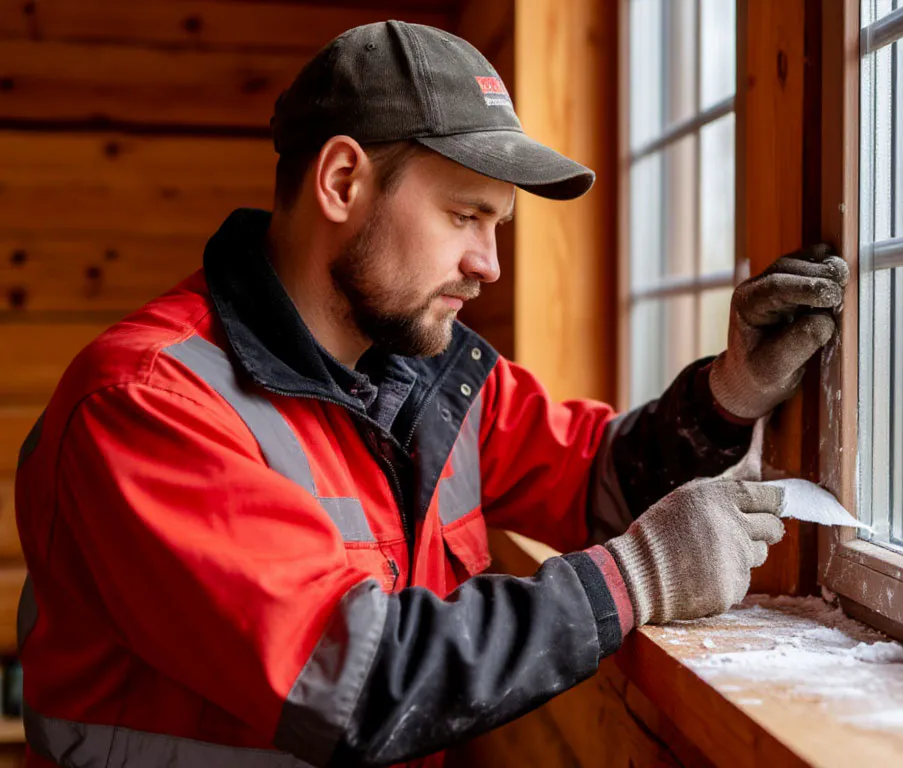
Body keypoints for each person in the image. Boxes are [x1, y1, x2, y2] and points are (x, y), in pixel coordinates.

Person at [13, 20, 847, 768]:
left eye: (498, 227)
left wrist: (735, 389)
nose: (489, 264)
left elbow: (599, 476)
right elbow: (358, 682)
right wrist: (634, 580)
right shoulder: (150, 402)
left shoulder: (429, 376)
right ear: (342, 182)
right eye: (464, 217)